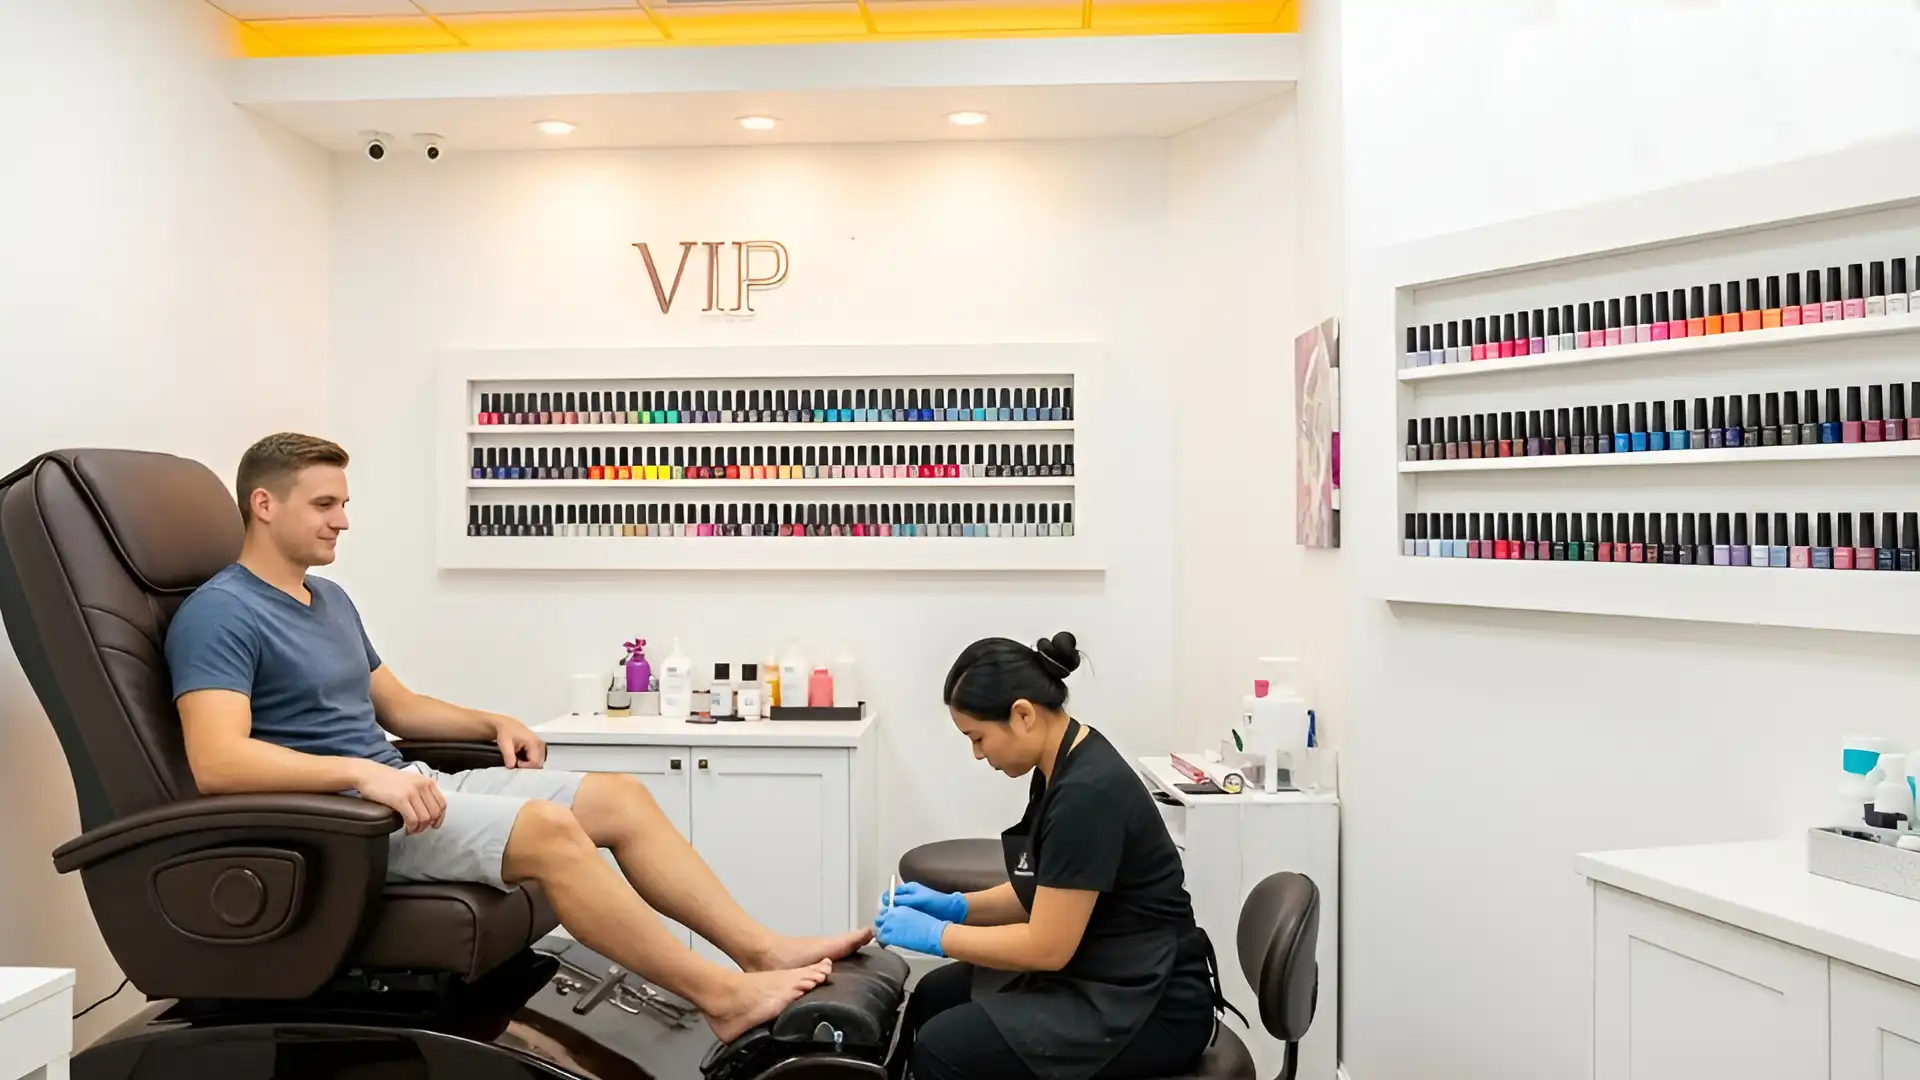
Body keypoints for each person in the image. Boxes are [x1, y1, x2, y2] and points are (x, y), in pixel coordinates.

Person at [164, 432, 870, 1044]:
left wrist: (489, 722)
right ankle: (719, 997)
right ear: (264, 504)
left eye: (344, 504)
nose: (344, 521)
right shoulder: (220, 614)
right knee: (551, 830)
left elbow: (400, 707)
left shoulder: (329, 601)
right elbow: (217, 761)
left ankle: (760, 949)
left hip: (406, 786)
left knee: (619, 798)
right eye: (325, 505)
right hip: (351, 824)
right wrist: (365, 773)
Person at [875, 633, 1239, 1080]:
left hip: (1150, 1001)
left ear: (1023, 714)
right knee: (935, 995)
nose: (977, 753)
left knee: (943, 1048)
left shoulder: (1085, 793)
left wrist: (938, 934)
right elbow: (1045, 888)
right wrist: (958, 905)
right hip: (1102, 968)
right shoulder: (1060, 763)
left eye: (978, 737)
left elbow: (1047, 946)